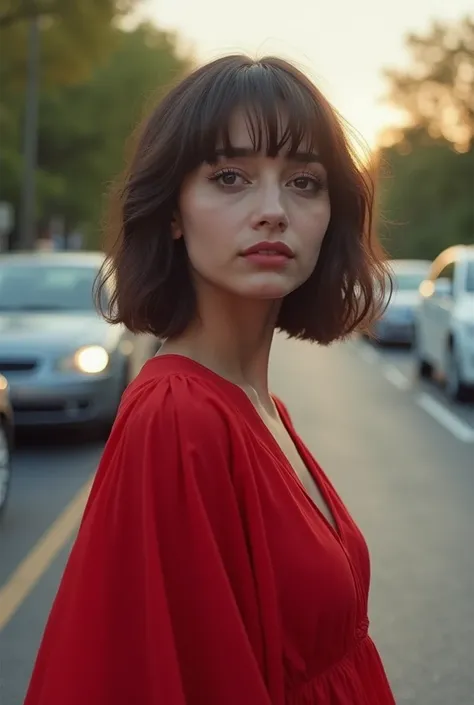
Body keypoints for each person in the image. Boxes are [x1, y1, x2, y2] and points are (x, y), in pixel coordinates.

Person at [25, 55, 395, 705]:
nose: (273, 210)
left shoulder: (262, 408)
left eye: (305, 182)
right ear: (173, 212)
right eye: (230, 177)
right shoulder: (178, 419)